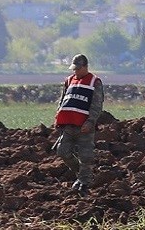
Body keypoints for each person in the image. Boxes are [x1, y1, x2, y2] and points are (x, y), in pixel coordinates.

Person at [54, 54, 104, 196]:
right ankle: (81, 174)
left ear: (85, 67)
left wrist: (90, 121)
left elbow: (96, 105)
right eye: (74, 69)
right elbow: (63, 100)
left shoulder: (95, 81)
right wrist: (58, 116)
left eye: (78, 69)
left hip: (84, 126)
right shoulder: (69, 80)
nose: (75, 72)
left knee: (86, 156)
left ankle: (84, 184)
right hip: (68, 125)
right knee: (62, 151)